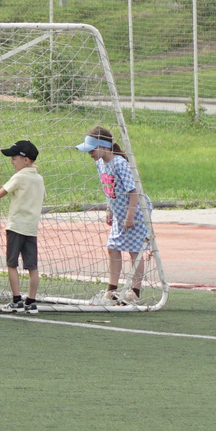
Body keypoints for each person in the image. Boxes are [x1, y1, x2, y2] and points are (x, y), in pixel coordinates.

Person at [82, 127, 154, 305]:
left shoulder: (120, 163)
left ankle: (135, 292)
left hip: (136, 211)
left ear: (105, 147)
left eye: (92, 149)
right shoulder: (100, 163)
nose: (90, 153)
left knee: (134, 250)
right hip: (119, 212)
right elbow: (110, 189)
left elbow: (134, 192)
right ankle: (111, 290)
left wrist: (130, 217)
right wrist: (110, 209)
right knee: (113, 248)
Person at [0, 140, 45, 312]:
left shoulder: (19, 177)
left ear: (26, 160)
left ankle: (16, 299)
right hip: (31, 227)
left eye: (14, 158)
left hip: (16, 226)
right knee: (32, 266)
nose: (11, 162)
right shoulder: (38, 178)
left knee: (12, 263)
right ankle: (31, 301)